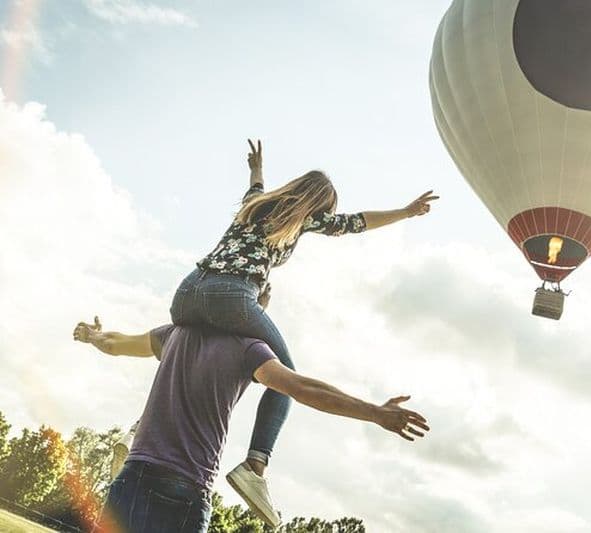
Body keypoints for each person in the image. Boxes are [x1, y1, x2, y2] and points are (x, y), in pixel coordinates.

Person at [167, 139, 438, 520]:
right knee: (285, 378)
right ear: (318, 204)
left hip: (186, 293)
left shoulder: (254, 205)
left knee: (186, 352)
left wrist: (257, 167)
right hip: (231, 294)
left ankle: (140, 430)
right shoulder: (306, 216)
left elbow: (257, 184)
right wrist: (406, 212)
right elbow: (357, 223)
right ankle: (255, 467)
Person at [74, 317, 429, 532]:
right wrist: (375, 412)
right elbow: (302, 388)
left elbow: (114, 343)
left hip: (136, 478)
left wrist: (92, 336)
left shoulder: (174, 334)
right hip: (187, 489)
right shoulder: (249, 347)